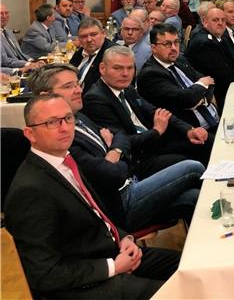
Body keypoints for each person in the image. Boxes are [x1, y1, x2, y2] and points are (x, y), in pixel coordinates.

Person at [4, 94, 180, 299]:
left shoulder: (65, 161)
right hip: (84, 284)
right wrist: (112, 267)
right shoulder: (30, 190)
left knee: (188, 267)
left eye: (68, 118)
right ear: (30, 134)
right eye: (52, 122)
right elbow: (43, 273)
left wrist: (125, 238)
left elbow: (98, 216)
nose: (64, 127)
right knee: (178, 293)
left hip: (112, 252)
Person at [27, 65, 204, 232]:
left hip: (131, 182)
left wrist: (114, 151)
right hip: (119, 205)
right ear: (45, 96)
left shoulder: (78, 116)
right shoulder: (60, 136)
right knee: (193, 167)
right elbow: (113, 176)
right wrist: (115, 151)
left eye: (77, 84)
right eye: (68, 86)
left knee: (195, 197)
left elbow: (119, 135)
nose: (78, 90)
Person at [81, 45, 212, 172]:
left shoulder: (126, 88)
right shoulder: (95, 99)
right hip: (138, 158)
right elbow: (121, 141)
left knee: (206, 141)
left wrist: (188, 130)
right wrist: (156, 131)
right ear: (102, 68)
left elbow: (156, 112)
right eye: (118, 68)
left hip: (154, 142)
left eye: (130, 68)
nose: (125, 74)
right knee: (190, 163)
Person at [137, 23, 219, 132]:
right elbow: (187, 99)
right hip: (192, 132)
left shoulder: (179, 60)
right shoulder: (151, 74)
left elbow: (209, 81)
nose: (174, 48)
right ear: (154, 48)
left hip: (214, 120)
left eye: (176, 42)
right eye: (167, 44)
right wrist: (201, 86)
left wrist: (201, 98)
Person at [185, 7, 234, 109]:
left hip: (222, 87)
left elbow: (229, 61)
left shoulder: (216, 36)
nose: (220, 23)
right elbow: (223, 77)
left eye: (223, 20)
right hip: (213, 95)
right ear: (205, 22)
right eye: (215, 20)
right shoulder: (205, 42)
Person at [70, 18, 115, 90]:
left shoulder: (112, 54)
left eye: (93, 35)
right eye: (84, 36)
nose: (89, 40)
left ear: (103, 33)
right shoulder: (81, 52)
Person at [1, 4, 45, 73]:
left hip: (22, 65)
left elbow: (20, 53)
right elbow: (5, 61)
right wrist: (27, 65)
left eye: (6, 13)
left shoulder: (9, 32)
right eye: (1, 13)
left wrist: (32, 61)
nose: (4, 16)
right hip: (11, 71)